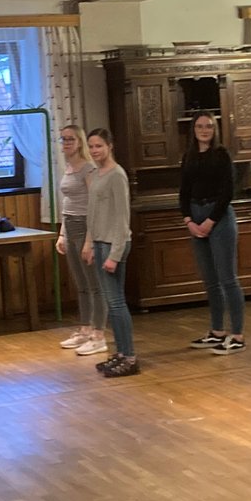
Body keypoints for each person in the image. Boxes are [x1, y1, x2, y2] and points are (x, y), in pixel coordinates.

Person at [180, 113, 246, 355]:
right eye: (199, 126)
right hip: (195, 216)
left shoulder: (221, 154)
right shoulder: (189, 156)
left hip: (219, 217)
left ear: (215, 129)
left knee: (228, 278)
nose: (204, 130)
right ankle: (217, 331)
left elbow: (228, 191)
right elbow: (184, 191)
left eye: (208, 126)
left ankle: (237, 335)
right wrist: (188, 220)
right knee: (210, 280)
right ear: (193, 129)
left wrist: (210, 221)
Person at [85, 128, 137, 378]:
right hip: (100, 241)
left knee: (116, 303)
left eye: (99, 146)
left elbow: (122, 217)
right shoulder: (96, 174)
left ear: (110, 146)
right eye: (91, 146)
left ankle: (130, 357)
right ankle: (120, 352)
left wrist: (114, 254)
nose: (95, 151)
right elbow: (93, 213)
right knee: (111, 302)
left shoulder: (117, 175)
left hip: (113, 243)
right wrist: (89, 243)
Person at [53, 125, 106, 356]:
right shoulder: (67, 168)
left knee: (95, 285)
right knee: (81, 284)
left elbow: (95, 205)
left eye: (70, 139)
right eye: (63, 139)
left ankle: (99, 335)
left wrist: (89, 241)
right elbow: (67, 204)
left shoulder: (89, 169)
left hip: (86, 227)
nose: (66, 143)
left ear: (80, 142)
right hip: (71, 226)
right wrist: (62, 234)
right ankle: (85, 329)